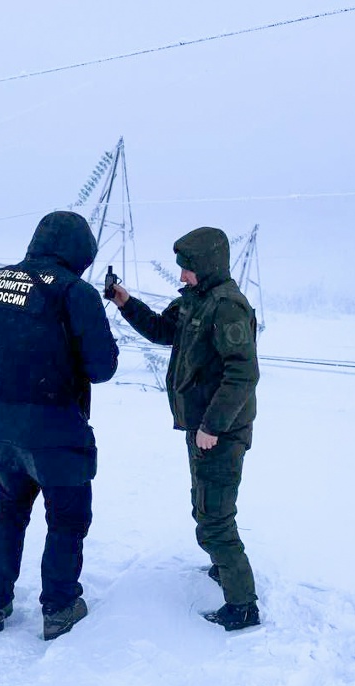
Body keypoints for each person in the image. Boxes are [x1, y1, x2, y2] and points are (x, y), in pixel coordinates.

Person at [0, 210, 119, 640]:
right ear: (79, 252)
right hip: (53, 430)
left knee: (7, 510)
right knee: (67, 518)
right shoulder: (75, 293)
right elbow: (101, 367)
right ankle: (60, 607)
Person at [108, 226, 261, 631]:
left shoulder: (227, 306)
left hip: (220, 432)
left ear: (208, 265)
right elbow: (162, 330)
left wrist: (212, 425)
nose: (181, 277)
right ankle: (223, 566)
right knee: (204, 504)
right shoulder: (197, 300)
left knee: (215, 517)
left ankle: (243, 607)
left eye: (187, 269)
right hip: (201, 429)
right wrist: (125, 302)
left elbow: (243, 374)